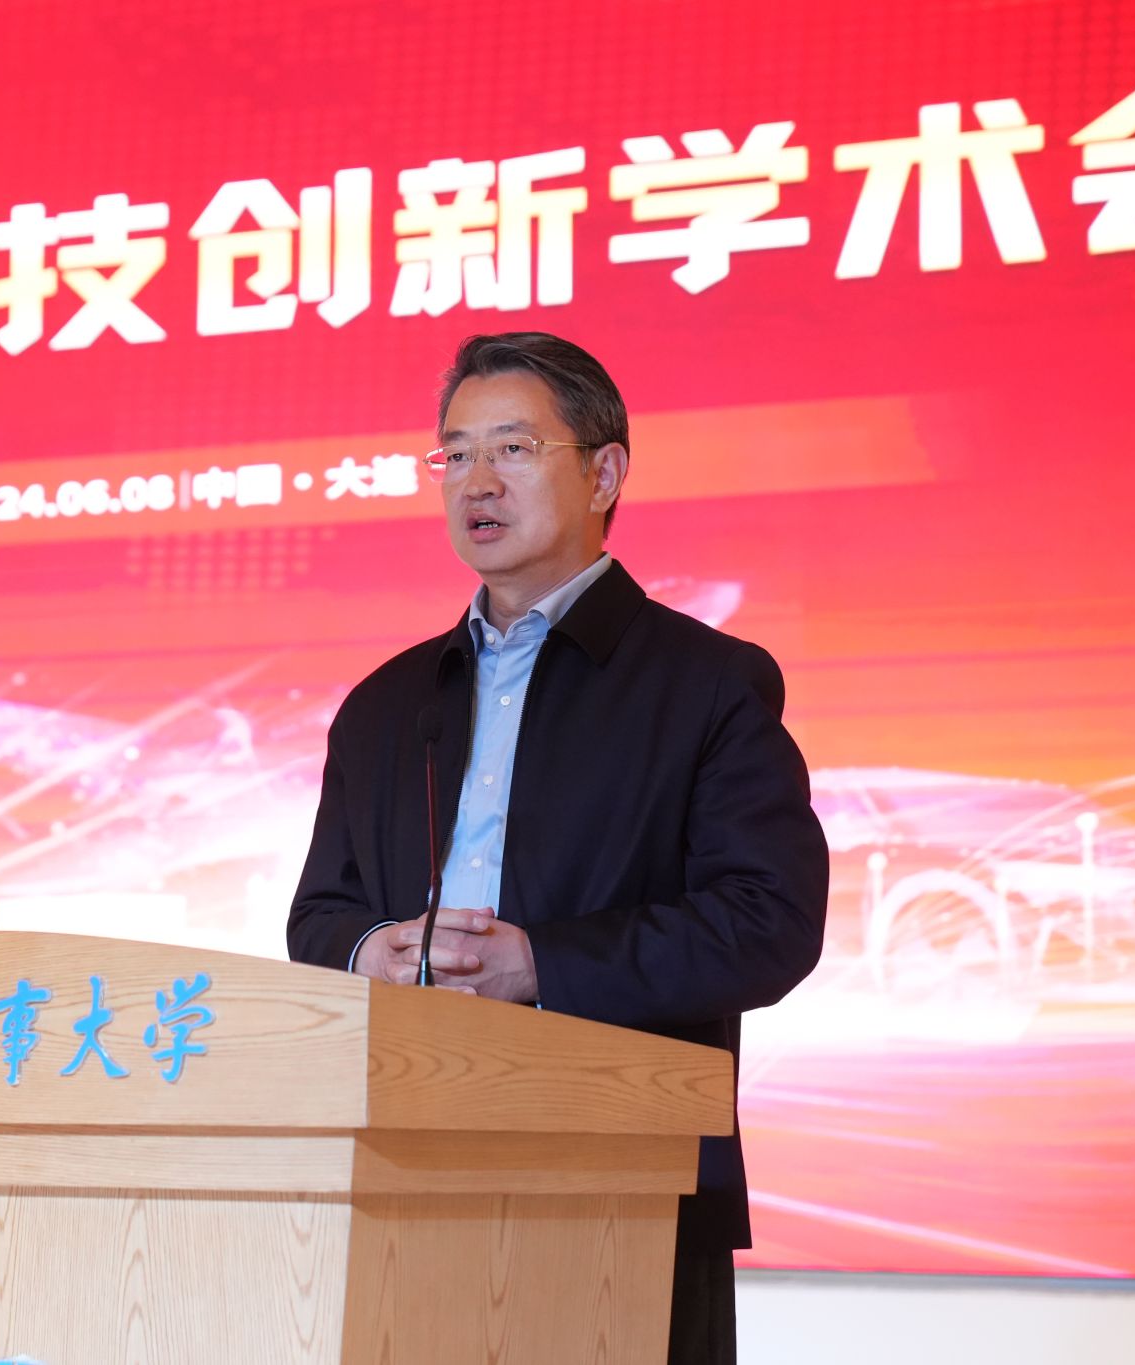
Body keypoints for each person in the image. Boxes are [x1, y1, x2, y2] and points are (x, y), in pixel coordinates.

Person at [286, 331, 828, 1365]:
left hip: (626, 1181)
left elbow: (767, 923)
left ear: (604, 472)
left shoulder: (707, 685)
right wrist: (368, 953)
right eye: (454, 454)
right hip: (402, 1166)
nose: (476, 481)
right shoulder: (385, 703)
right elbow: (318, 915)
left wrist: (541, 964)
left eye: (513, 448)